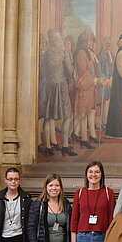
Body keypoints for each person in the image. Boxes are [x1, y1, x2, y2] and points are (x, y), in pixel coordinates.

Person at [39, 29, 77, 157]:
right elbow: (70, 71)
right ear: (58, 40)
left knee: (48, 117)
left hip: (49, 87)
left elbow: (43, 72)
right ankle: (65, 146)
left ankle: (48, 146)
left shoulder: (47, 53)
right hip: (60, 87)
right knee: (68, 116)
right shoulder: (63, 52)